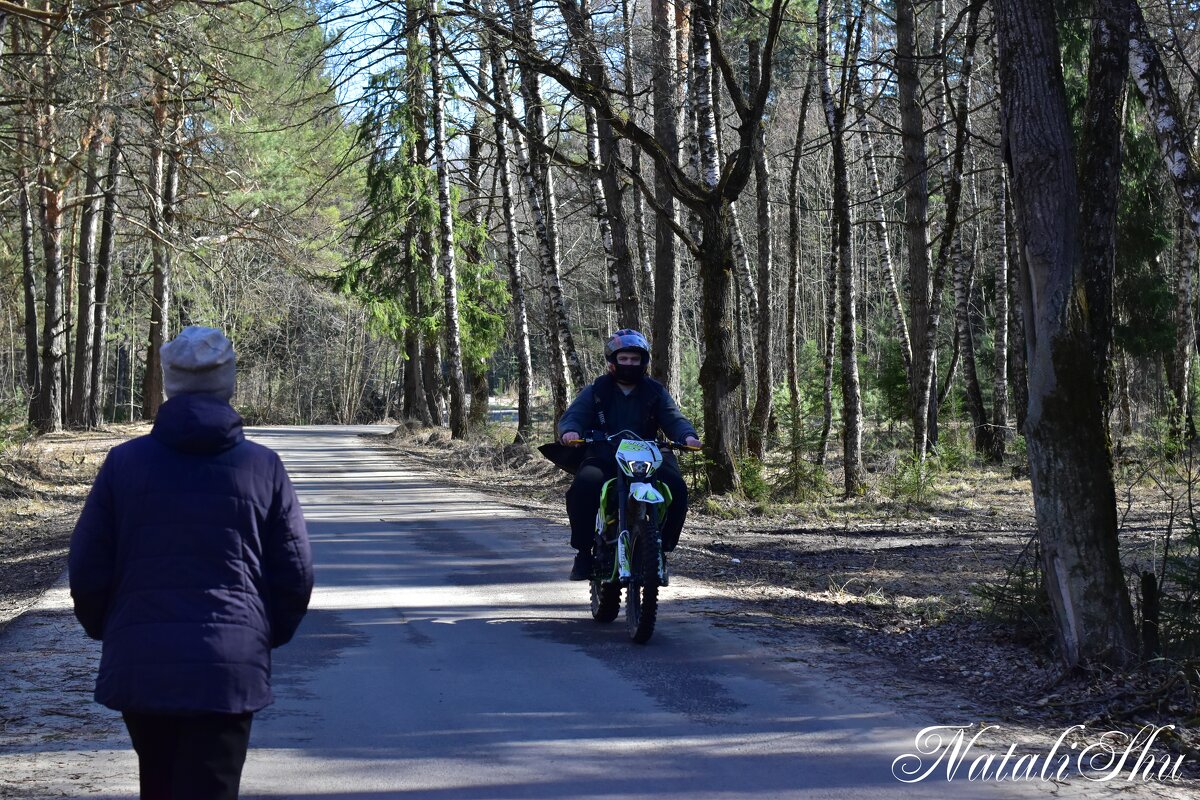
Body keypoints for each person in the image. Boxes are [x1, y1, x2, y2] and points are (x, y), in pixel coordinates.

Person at [69, 326, 313, 800]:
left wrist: (114, 629)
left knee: (159, 786)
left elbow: (88, 567)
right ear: (229, 382)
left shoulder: (124, 464)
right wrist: (259, 635)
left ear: (170, 383)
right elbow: (295, 573)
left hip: (144, 661)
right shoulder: (263, 467)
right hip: (228, 668)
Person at [557, 329, 701, 580]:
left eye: (635, 359)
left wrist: (687, 436)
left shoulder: (655, 391)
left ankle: (661, 548)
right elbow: (574, 416)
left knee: (676, 487)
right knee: (584, 486)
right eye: (623, 358)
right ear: (612, 361)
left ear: (643, 361)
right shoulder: (596, 390)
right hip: (605, 452)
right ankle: (583, 553)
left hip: (649, 453)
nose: (629, 364)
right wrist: (570, 431)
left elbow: (674, 418)